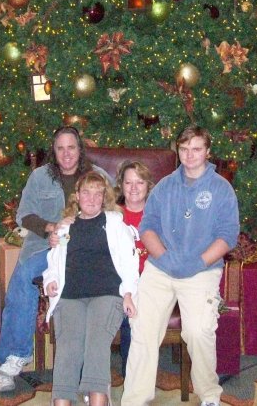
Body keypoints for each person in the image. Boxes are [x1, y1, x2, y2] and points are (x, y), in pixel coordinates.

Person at [121, 125, 240, 406]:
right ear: (178, 150)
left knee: (198, 331)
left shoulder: (221, 189)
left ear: (207, 152)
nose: (189, 155)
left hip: (202, 271)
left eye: (196, 149)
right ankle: (134, 399)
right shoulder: (164, 186)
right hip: (160, 268)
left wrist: (197, 262)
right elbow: (147, 227)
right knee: (142, 328)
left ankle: (210, 396)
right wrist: (163, 257)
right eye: (184, 149)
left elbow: (228, 236)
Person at [0, 126, 110, 393]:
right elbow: (24, 215)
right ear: (54, 151)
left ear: (80, 149)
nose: (66, 154)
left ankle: (88, 370)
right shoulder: (39, 177)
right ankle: (13, 359)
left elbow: (113, 208)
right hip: (44, 247)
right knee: (23, 278)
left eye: (71, 147)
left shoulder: (97, 175)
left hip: (85, 250)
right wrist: (52, 228)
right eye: (60, 148)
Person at [43, 171, 139, 406]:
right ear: (77, 196)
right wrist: (50, 281)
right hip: (70, 295)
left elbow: (130, 261)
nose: (92, 198)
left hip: (106, 294)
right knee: (68, 347)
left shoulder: (114, 222)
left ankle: (98, 401)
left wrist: (128, 293)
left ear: (104, 197)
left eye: (98, 193)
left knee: (96, 344)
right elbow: (54, 262)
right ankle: (62, 402)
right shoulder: (66, 227)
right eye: (86, 192)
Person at [114, 160, 154, 377]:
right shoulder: (113, 215)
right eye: (128, 183)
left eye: (139, 182)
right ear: (121, 186)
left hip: (150, 279)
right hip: (119, 279)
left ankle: (134, 375)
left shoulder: (156, 214)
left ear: (148, 185)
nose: (134, 188)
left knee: (135, 314)